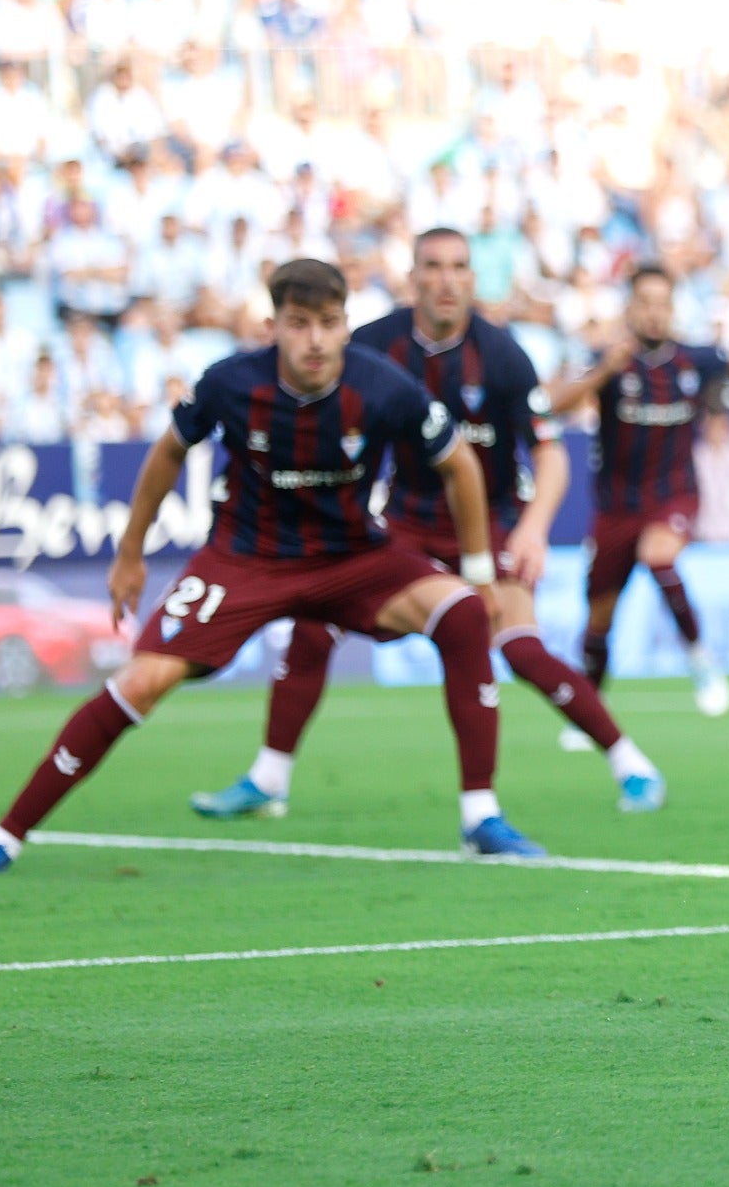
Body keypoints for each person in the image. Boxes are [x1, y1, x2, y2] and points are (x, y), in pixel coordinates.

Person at [0, 260, 546, 879]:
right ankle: (5, 836)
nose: (314, 340)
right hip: (245, 558)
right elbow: (167, 453)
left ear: (346, 326)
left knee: (464, 612)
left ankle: (481, 816)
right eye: (299, 324)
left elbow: (460, 465)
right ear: (272, 326)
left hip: (352, 558)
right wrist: (130, 554)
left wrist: (477, 571)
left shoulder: (384, 387)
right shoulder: (230, 383)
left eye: (328, 324)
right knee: (142, 681)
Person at [189, 230, 666, 820]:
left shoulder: (503, 356)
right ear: (413, 278)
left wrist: (534, 528)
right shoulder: (372, 344)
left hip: (487, 525)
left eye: (459, 267)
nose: (446, 279)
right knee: (314, 627)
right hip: (403, 526)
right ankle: (269, 779)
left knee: (519, 646)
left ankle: (629, 762)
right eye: (433, 267)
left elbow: (549, 452)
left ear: (473, 278)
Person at [548, 265, 729, 723]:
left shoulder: (693, 360)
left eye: (662, 304)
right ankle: (591, 713)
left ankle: (699, 658)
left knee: (658, 555)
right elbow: (555, 407)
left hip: (674, 495)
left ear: (673, 309)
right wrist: (600, 372)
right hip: (616, 506)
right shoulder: (609, 360)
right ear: (630, 308)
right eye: (644, 303)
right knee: (598, 619)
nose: (653, 314)